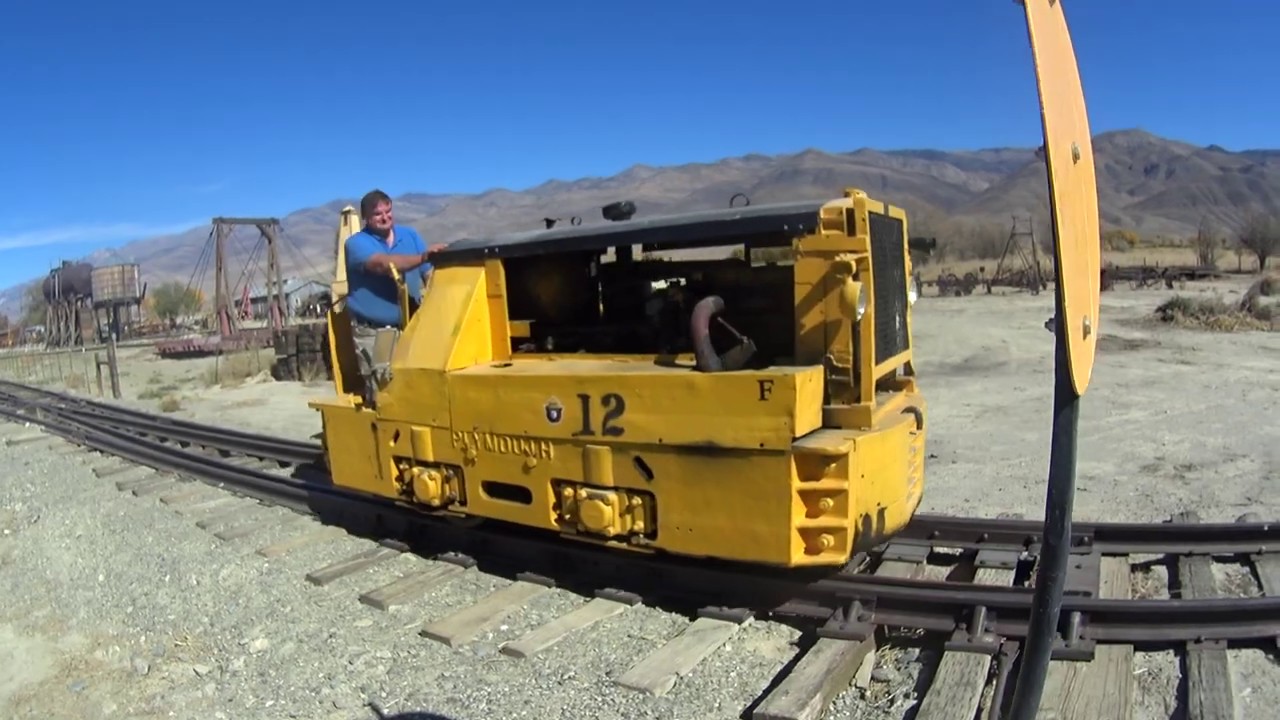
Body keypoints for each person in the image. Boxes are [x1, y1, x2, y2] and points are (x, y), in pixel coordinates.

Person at [344, 189, 445, 387]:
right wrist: (422, 257)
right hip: (375, 333)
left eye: (388, 211)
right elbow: (383, 264)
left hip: (412, 327)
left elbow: (429, 274)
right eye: (378, 214)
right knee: (384, 389)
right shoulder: (356, 244)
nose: (385, 217)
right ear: (365, 217)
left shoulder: (410, 236)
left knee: (419, 385)